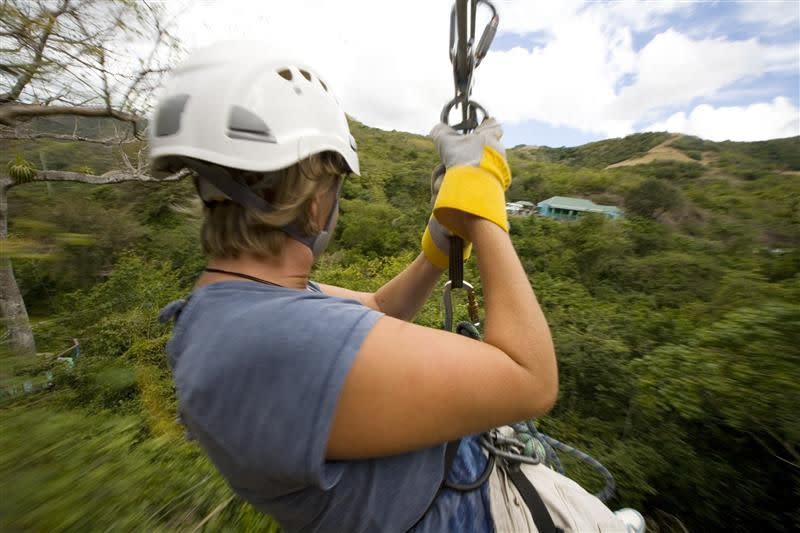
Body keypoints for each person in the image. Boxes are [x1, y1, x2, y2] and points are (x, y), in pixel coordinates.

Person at [153, 42, 644, 533]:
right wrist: (481, 199)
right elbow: (531, 380)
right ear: (315, 205)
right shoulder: (279, 339)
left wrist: (437, 248)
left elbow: (380, 308)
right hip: (482, 513)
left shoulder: (233, 310)